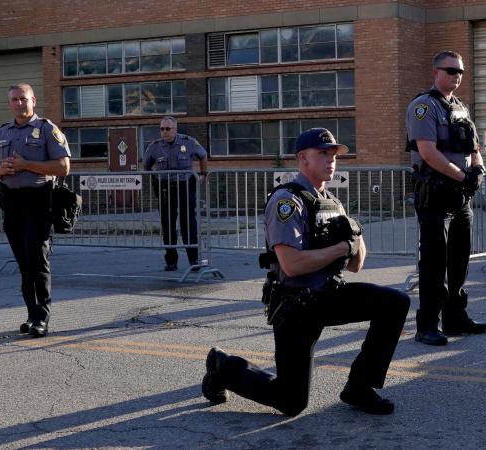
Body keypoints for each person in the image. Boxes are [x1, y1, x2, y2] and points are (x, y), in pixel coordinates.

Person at [201, 128, 410, 416]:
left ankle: (359, 387)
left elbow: (356, 264)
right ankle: (223, 366)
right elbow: (293, 265)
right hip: (296, 306)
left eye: (333, 154)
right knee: (291, 401)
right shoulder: (287, 201)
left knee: (395, 302)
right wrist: (339, 248)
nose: (331, 160)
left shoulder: (333, 203)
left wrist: (355, 232)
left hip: (329, 294)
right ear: (303, 158)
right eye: (322, 153)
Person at [405, 50, 486, 346]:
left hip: (460, 197)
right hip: (436, 197)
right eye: (451, 70)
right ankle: (427, 324)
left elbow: (473, 146)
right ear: (436, 72)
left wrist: (478, 170)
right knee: (434, 264)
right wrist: (463, 177)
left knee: (459, 261)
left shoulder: (461, 108)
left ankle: (455, 317)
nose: (457, 76)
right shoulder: (423, 107)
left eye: (460, 71)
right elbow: (428, 152)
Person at [0, 83, 71, 338]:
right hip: (11, 203)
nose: (19, 103)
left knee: (37, 259)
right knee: (23, 263)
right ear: (9, 103)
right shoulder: (1, 133)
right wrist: (2, 170)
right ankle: (32, 314)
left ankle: (41, 317)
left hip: (38, 201)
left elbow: (63, 167)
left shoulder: (46, 130)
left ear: (33, 100)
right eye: (14, 100)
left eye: (23, 99)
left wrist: (26, 165)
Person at [141, 116, 208, 271]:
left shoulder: (188, 142)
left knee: (188, 223)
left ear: (175, 129)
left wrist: (203, 174)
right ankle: (171, 261)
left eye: (168, 129)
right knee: (168, 224)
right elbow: (146, 165)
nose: (164, 132)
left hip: (185, 186)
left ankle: (194, 260)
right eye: (162, 129)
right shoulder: (155, 146)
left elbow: (203, 155)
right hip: (165, 189)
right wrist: (155, 180)